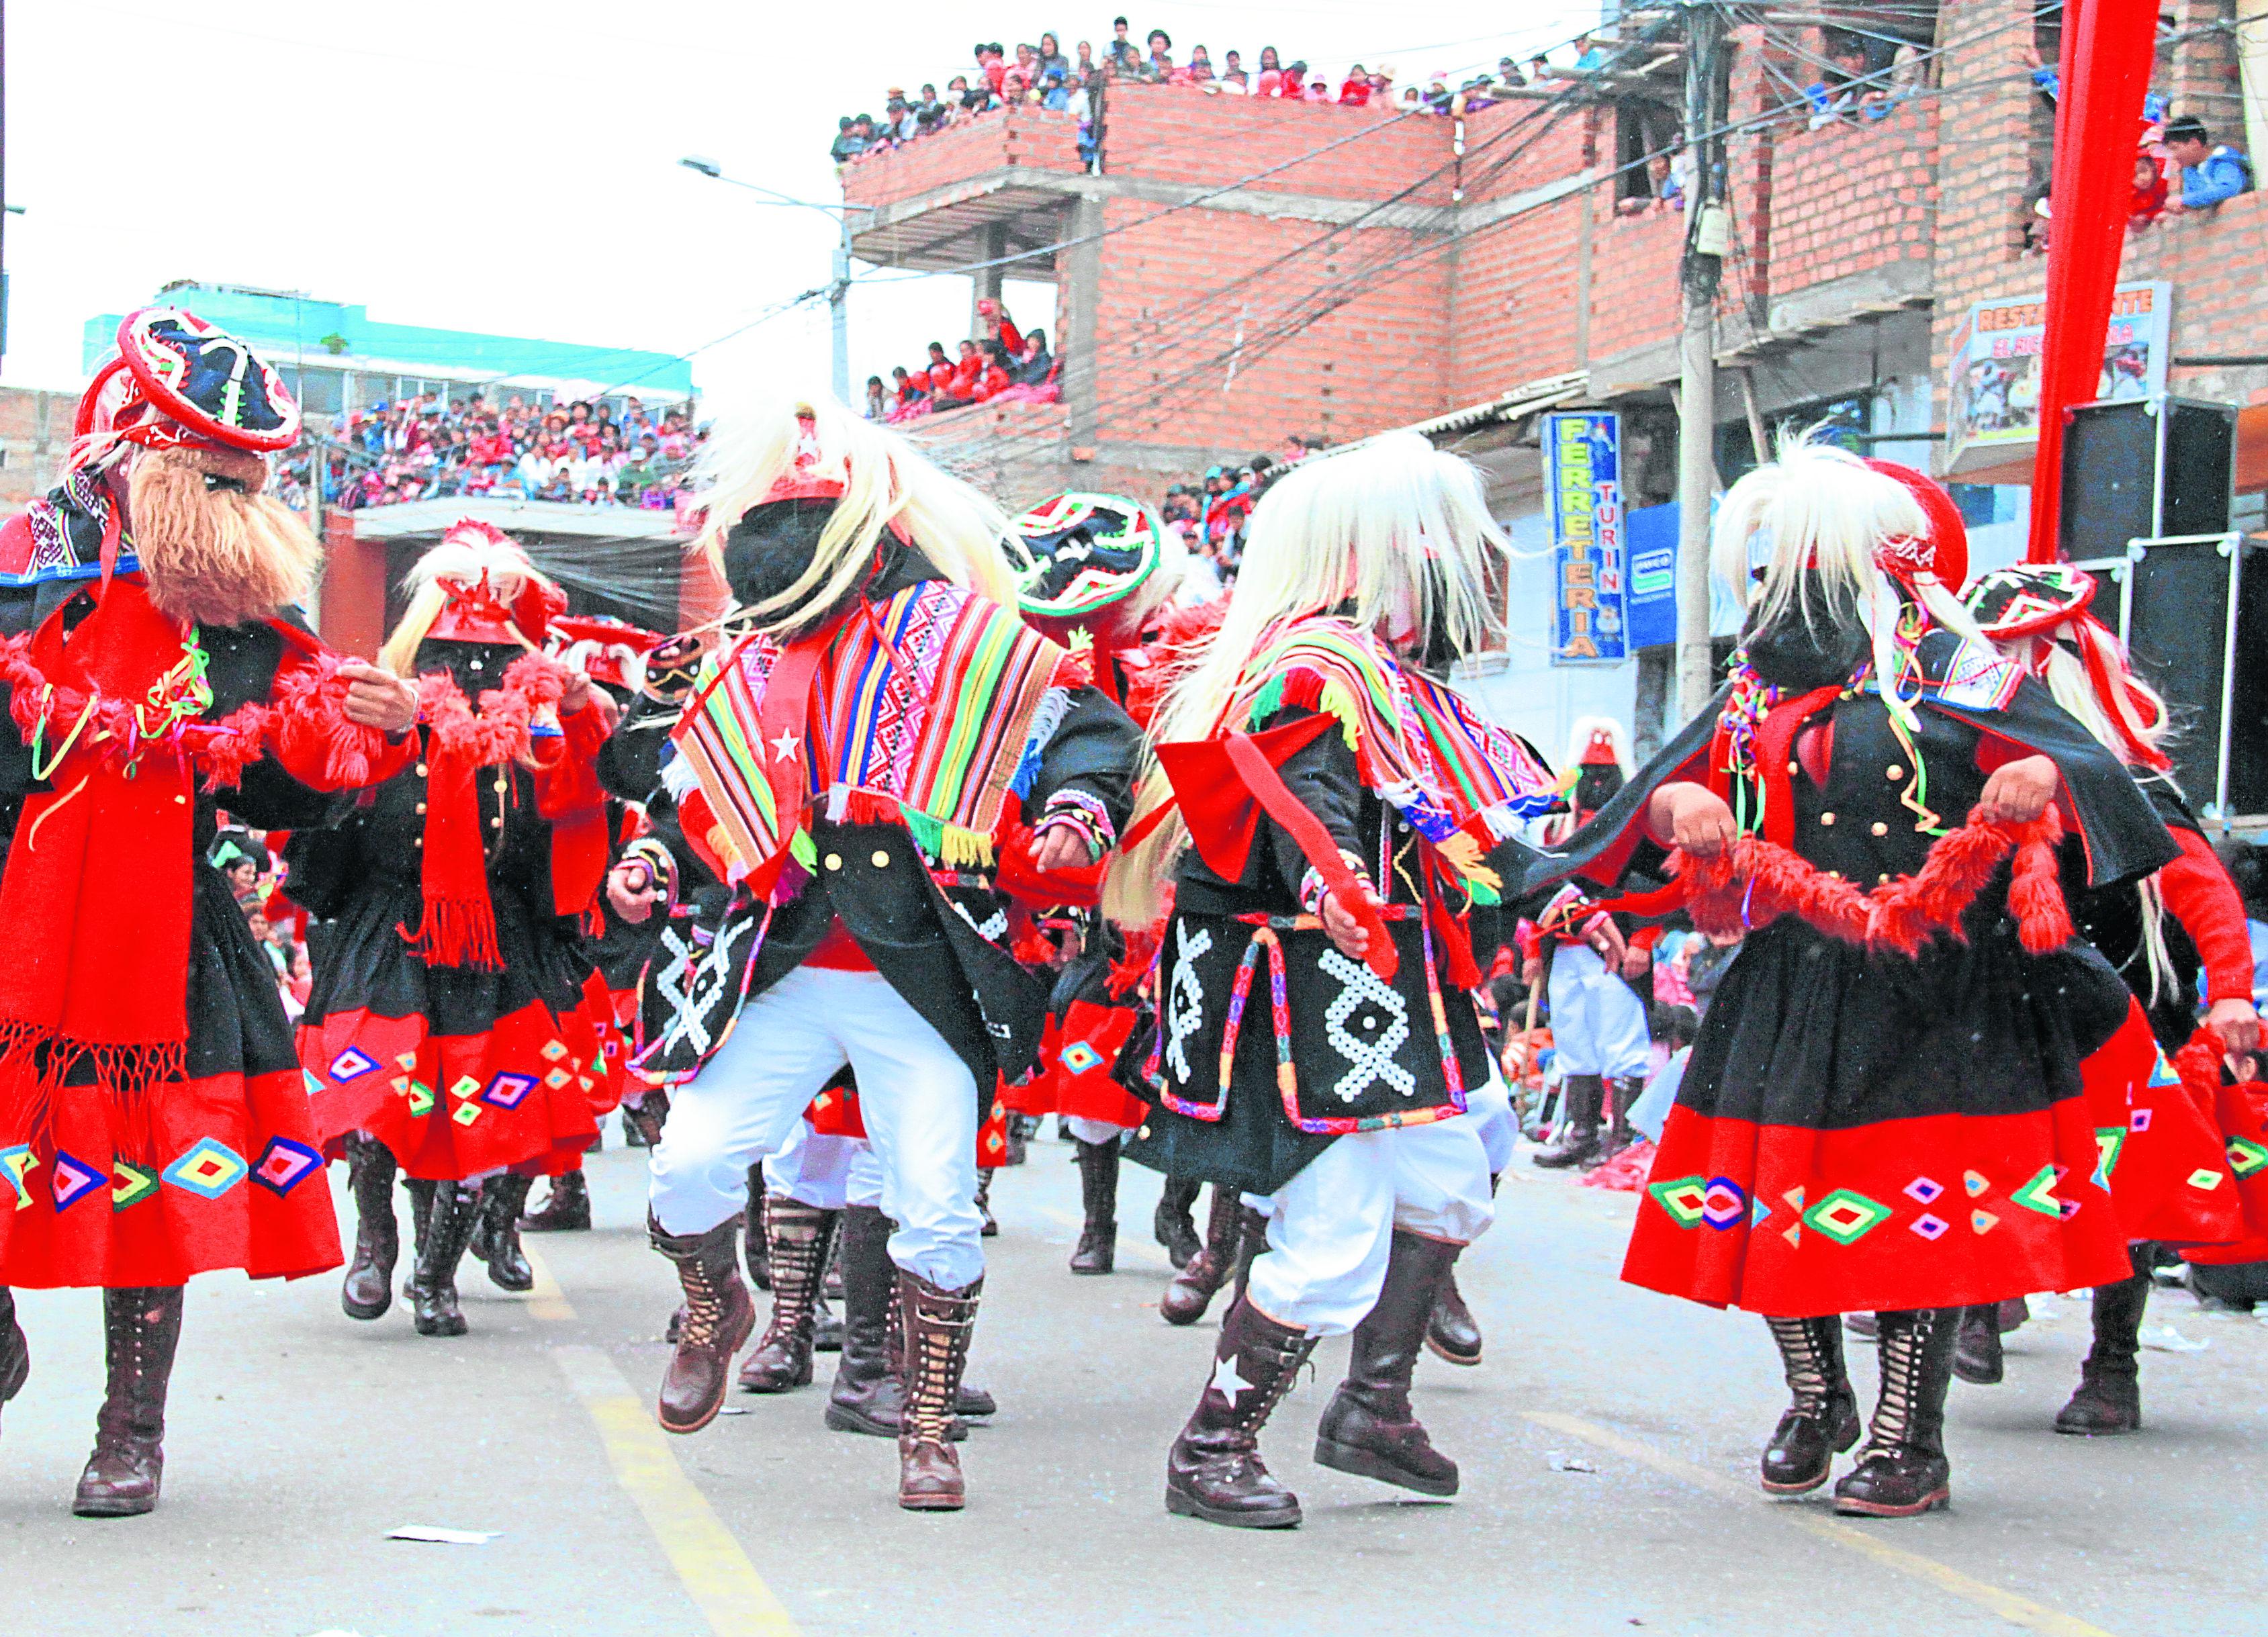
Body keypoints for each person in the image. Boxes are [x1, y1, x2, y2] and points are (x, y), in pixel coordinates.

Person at [1535, 443, 2175, 1519]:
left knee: (1921, 1213)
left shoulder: (1958, 666)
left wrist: (2040, 769)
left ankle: (1906, 1436)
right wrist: (1675, 813)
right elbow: (1652, 802)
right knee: (1781, 1195)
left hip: (1944, 977)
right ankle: (1819, 1392)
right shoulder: (1757, 684)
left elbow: (2097, 766)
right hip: (1795, 971)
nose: (1788, 589)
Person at [610, 397, 1139, 1511]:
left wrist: (1077, 812)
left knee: (937, 1200)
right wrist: (659, 850)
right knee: (688, 1167)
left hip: (920, 974)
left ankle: (927, 1422)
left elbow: (1088, 726)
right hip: (782, 964)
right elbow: (664, 762)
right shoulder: (742, 657)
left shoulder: (969, 631)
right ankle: (718, 1311)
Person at [0, 306, 422, 1516]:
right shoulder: (20, 583)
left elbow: (290, 779)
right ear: (140, 461)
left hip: (167, 943)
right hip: (12, 907)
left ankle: (131, 1430)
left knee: (148, 1194)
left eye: (251, 484)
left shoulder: (240, 629)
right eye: (217, 480)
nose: (245, 505)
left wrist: (368, 739)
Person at [1113, 433, 1558, 1528]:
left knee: (1454, 1175)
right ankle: (1209, 1447)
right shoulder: (1311, 667)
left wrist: (1568, 887)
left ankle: (1372, 1403)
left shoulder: (1389, 680)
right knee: (1332, 1231)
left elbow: (1462, 831)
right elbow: (1293, 799)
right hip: (1300, 1001)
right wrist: (1330, 876)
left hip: (1380, 998)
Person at [1958, 563, 2268, 1424]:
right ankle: (1980, 1305)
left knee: (2121, 1177)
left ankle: (2113, 1362)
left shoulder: (2123, 787)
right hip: (2004, 1000)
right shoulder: (1961, 780)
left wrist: (2231, 994)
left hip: (2120, 1005)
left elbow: (2204, 891)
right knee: (1991, 1155)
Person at [293, 523, 613, 1338]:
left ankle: (436, 1275)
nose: (472, 666)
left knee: (485, 1123)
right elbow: (326, 789)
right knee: (375, 1103)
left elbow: (577, 807)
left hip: (499, 939)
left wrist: (577, 721)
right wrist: (394, 733)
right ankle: (376, 1237)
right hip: (389, 925)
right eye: (451, 646)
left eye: (491, 652)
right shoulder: (380, 699)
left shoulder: (534, 724)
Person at [2160, 114, 2253, 214]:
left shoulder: (2224, 160)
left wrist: (2184, 200)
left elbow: (2229, 188)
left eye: (2175, 148)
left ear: (2194, 144)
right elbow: (2195, 200)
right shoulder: (2190, 170)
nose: (2174, 156)